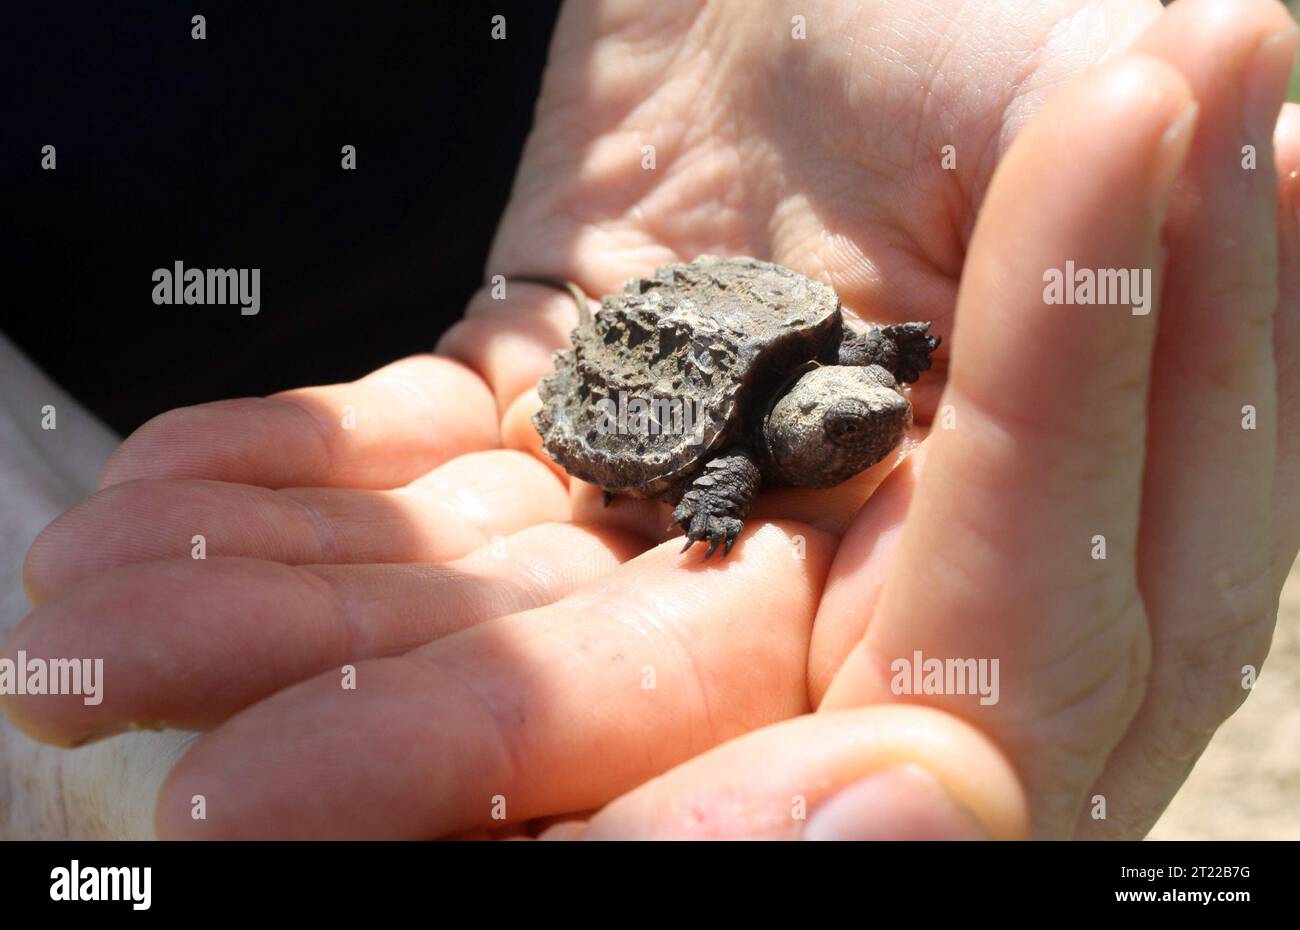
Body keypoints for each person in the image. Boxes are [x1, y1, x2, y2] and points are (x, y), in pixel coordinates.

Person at [3, 0, 1298, 839]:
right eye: (848, 432)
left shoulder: (841, 353)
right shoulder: (729, 460)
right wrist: (716, 510)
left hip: (555, 186)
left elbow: (863, 362)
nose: (873, 426)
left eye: (869, 416)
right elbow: (723, 467)